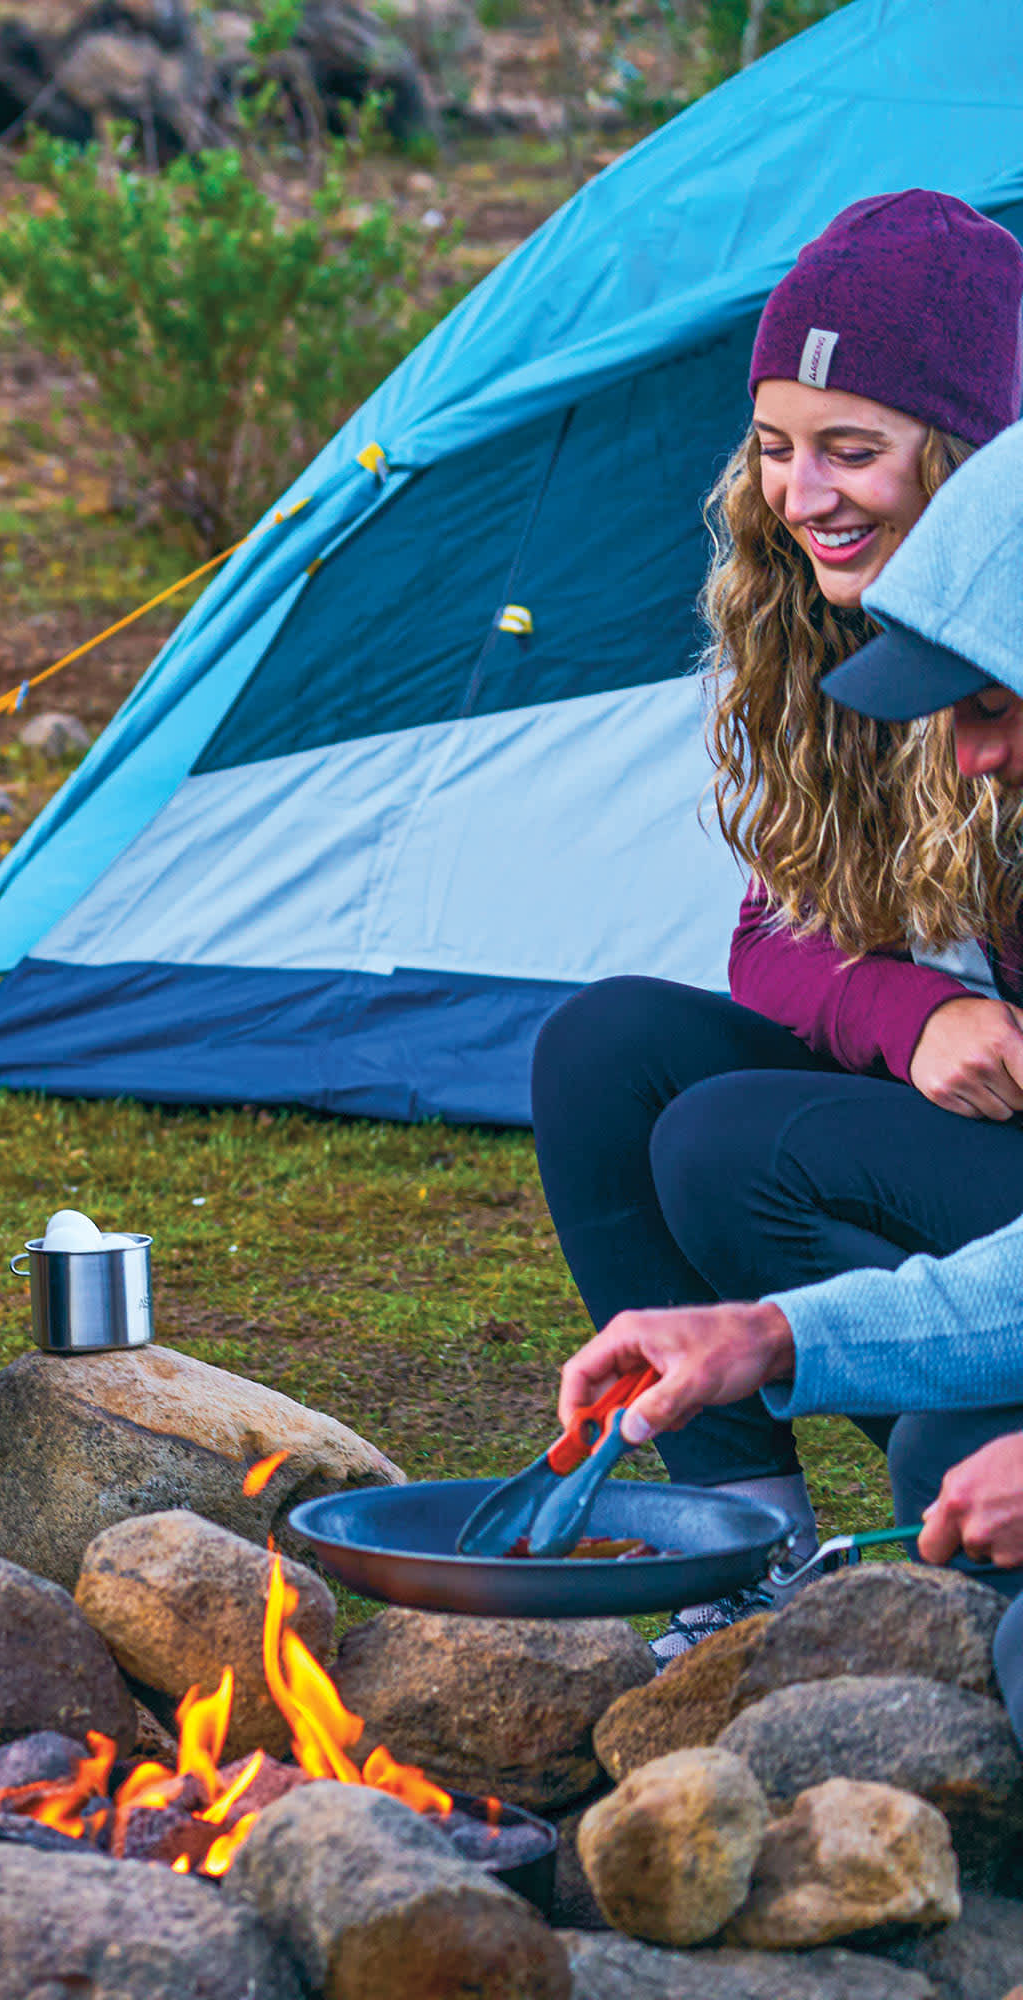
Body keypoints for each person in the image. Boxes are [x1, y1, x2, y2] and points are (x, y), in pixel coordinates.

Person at [525, 190, 1023, 1661]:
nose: (804, 493)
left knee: (728, 1142)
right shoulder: (822, 630)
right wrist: (913, 1013)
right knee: (611, 1049)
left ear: (974, 460)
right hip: (972, 1118)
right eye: (776, 448)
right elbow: (776, 930)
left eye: (853, 450)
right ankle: (740, 1546)